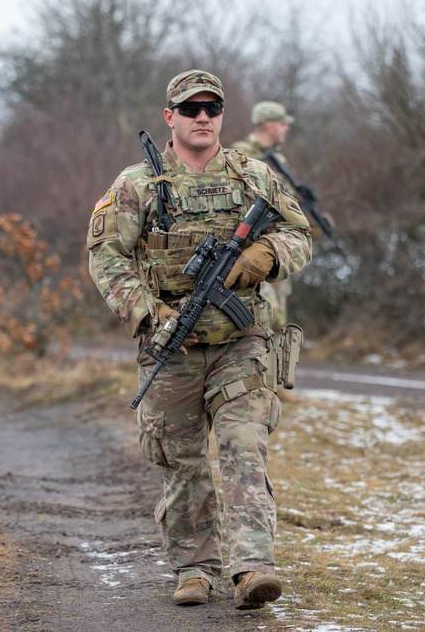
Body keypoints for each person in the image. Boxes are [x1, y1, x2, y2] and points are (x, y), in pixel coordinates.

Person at [86, 71, 311, 609]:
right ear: (170, 117)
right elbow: (105, 256)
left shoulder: (253, 175)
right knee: (181, 461)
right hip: (173, 347)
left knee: (242, 448)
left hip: (243, 343)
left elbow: (298, 233)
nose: (202, 117)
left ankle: (252, 568)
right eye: (190, 109)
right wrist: (148, 313)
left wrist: (266, 256)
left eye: (212, 108)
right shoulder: (139, 184)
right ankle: (194, 569)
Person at [232, 101, 297, 330]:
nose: (286, 129)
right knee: (267, 320)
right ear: (270, 127)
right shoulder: (242, 155)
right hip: (252, 250)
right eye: (282, 124)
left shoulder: (277, 158)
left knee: (279, 323)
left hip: (277, 248)